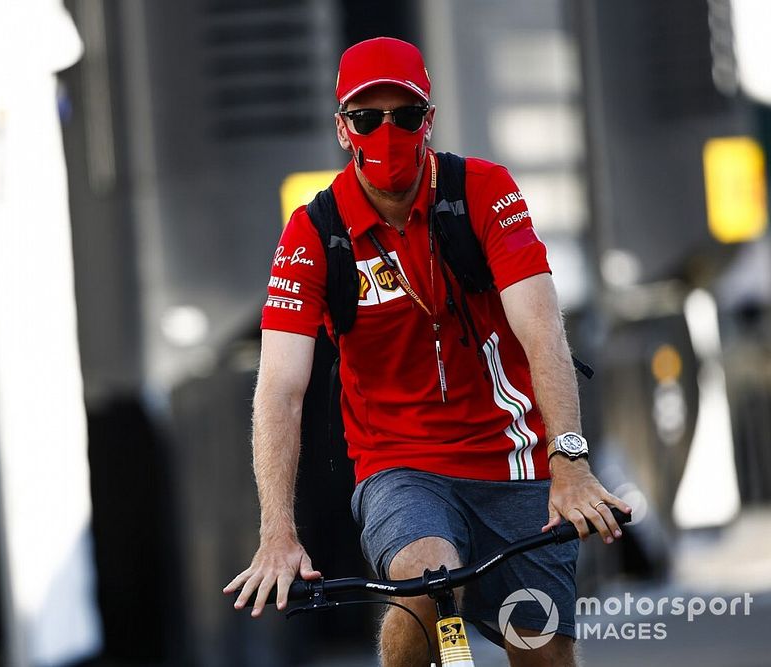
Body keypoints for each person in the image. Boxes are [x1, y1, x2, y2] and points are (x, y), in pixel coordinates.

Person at [224, 36, 631, 667]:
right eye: (366, 118)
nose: (387, 133)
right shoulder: (314, 233)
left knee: (541, 648)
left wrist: (571, 463)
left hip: (515, 462)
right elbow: (279, 386)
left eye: (405, 115)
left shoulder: (483, 191)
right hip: (400, 464)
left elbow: (542, 329)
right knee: (423, 580)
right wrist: (277, 531)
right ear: (342, 128)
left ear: (429, 121)